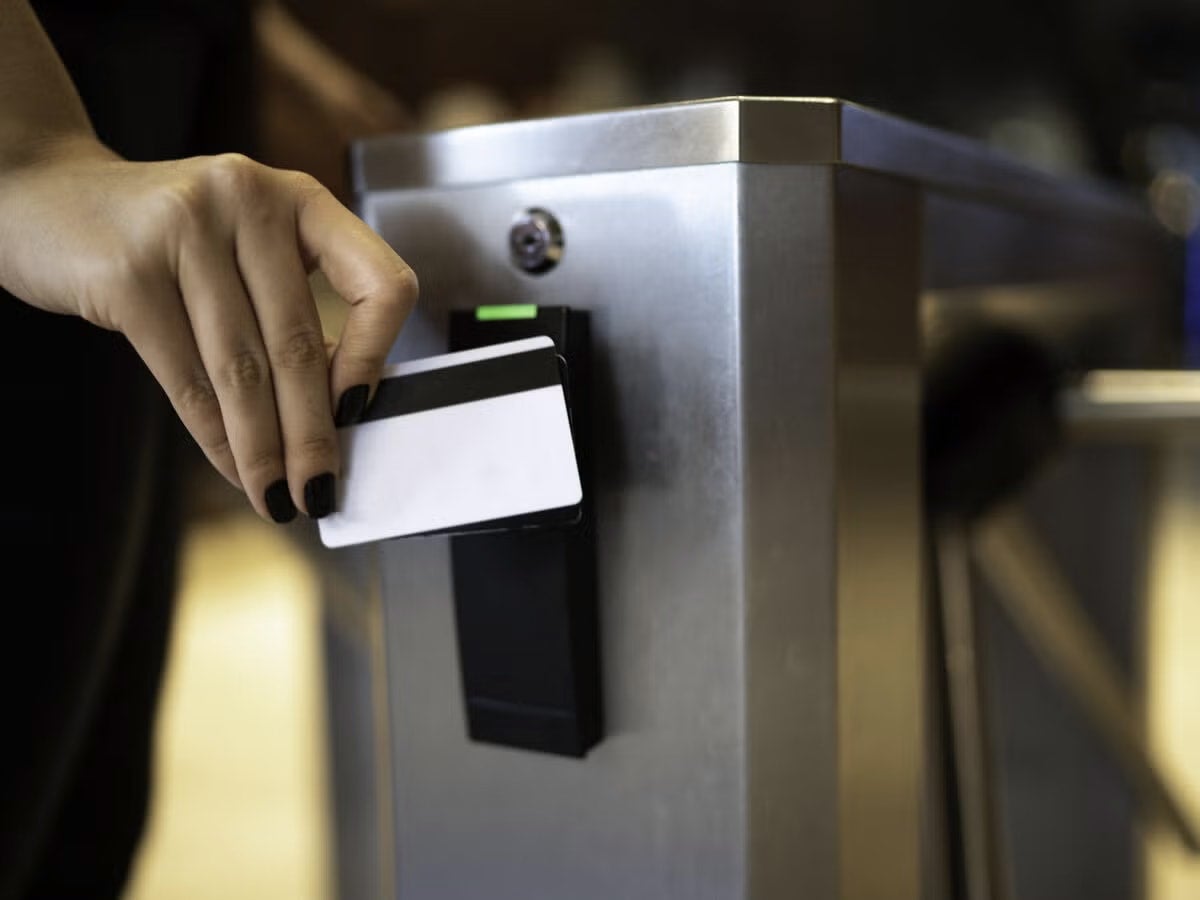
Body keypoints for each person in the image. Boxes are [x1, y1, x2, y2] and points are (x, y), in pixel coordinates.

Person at [0, 1, 417, 896]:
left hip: (142, 89)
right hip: (39, 173)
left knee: (89, 815)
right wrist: (26, 150)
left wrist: (239, 34)